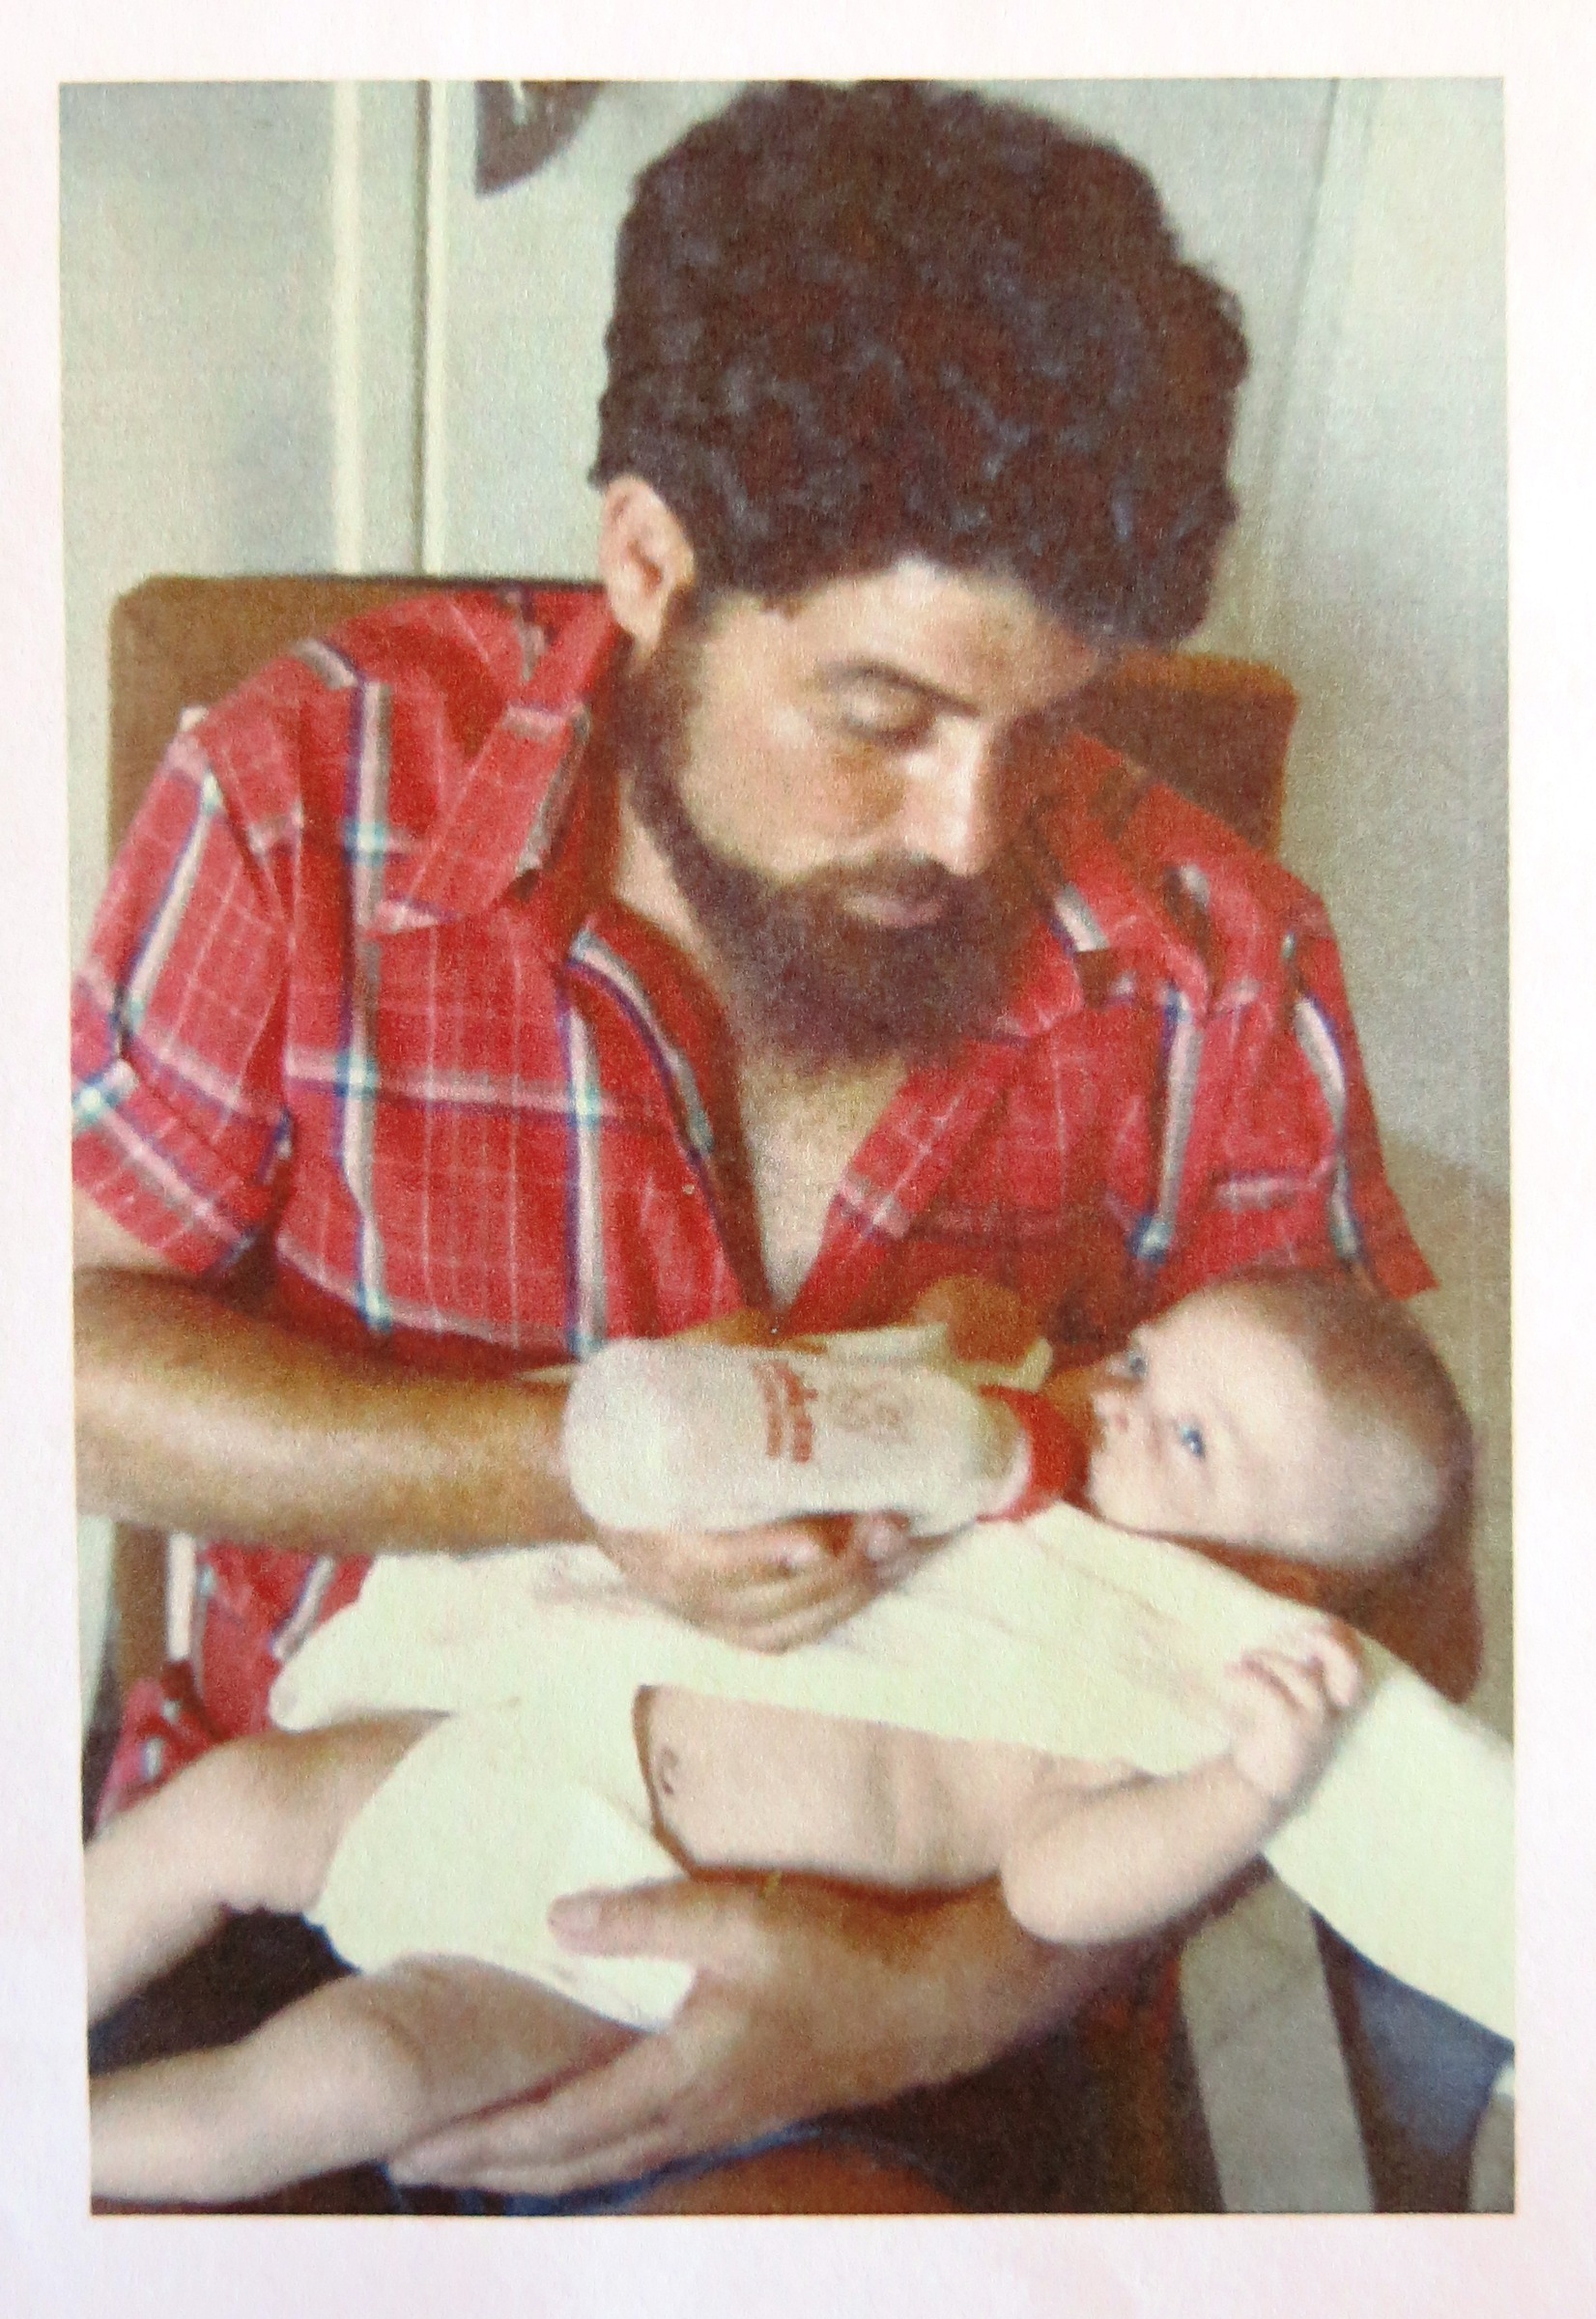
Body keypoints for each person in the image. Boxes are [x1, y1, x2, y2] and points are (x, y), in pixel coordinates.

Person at [73, 82, 1462, 2213]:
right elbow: (69, 1368)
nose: (972, 833)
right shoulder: (309, 793)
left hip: (895, 1941)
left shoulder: (1214, 961)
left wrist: (937, 1990)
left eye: (1047, 723)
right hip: (310, 1826)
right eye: (883, 718)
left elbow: (1390, 1607)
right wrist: (566, 1469)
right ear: (651, 564)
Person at [84, 1274, 1472, 2207]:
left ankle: (68, 2162)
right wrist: (935, 1336)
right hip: (514, 1739)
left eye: (1187, 1440)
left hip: (614, 1943)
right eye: (1144, 1357)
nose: (1116, 1401)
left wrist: (1241, 1792)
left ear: (1268, 1587)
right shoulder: (1002, 1437)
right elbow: (836, 1378)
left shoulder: (1123, 1710)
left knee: (358, 2073)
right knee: (233, 1807)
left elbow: (1057, 1889)